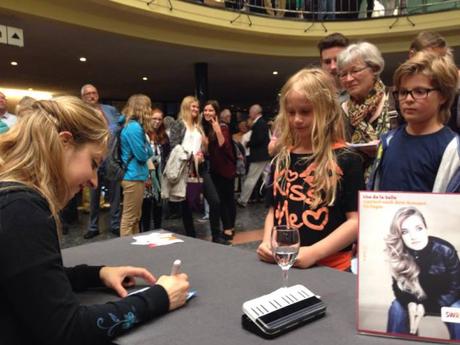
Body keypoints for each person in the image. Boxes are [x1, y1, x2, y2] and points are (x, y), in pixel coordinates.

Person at [0, 96, 190, 345]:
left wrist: (97, 274)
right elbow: (69, 330)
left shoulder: (12, 201)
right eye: (92, 163)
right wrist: (160, 297)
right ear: (64, 143)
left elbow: (32, 281)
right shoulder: (22, 211)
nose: (94, 181)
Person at [256, 68, 364, 271]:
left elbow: (355, 222)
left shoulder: (347, 159)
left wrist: (314, 252)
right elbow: (274, 209)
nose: (297, 119)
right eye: (291, 112)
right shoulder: (282, 158)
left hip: (332, 267)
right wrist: (267, 242)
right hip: (286, 262)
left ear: (327, 111)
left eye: (305, 111)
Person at [368, 52, 460, 193]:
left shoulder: (453, 149)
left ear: (443, 96)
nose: (409, 99)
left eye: (420, 91)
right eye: (403, 92)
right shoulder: (388, 141)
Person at [385, 207, 460, 339]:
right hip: (416, 301)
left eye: (418, 228)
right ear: (400, 236)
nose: (414, 236)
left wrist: (428, 306)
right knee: (396, 308)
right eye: (405, 232)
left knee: (457, 309)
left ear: (426, 229)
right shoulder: (399, 254)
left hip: (445, 300)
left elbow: (456, 288)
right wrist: (410, 302)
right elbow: (398, 288)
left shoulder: (446, 250)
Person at [337, 42, 398, 175]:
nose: (348, 79)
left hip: (392, 181)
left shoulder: (396, 99)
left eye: (355, 71)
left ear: (374, 69)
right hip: (353, 183)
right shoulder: (339, 112)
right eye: (343, 74)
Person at [81, 84, 121, 238]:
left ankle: (115, 224)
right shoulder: (81, 113)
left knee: (115, 194)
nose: (92, 96)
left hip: (111, 157)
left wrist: (110, 129)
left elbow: (120, 125)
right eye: (88, 94)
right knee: (93, 195)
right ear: (83, 98)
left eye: (94, 93)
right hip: (92, 160)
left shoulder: (109, 110)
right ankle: (93, 226)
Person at [167, 96, 206, 239]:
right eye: (193, 106)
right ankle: (191, 234)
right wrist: (189, 155)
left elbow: (201, 146)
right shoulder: (178, 124)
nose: (196, 109)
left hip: (198, 166)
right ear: (185, 107)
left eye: (197, 107)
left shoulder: (198, 126)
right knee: (186, 203)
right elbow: (174, 146)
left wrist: (201, 154)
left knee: (205, 199)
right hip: (184, 166)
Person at [119, 94, 154, 237]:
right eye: (148, 107)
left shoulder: (130, 126)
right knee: (130, 219)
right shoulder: (134, 128)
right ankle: (127, 253)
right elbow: (142, 155)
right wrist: (148, 148)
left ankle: (133, 250)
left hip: (134, 176)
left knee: (134, 218)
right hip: (133, 176)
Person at [202, 100, 236, 242]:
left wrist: (216, 129)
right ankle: (227, 227)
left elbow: (223, 145)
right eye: (205, 110)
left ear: (216, 112)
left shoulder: (221, 126)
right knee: (219, 200)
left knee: (227, 199)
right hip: (215, 169)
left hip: (226, 169)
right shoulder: (204, 127)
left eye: (211, 110)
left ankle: (229, 228)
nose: (207, 113)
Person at [140, 108, 170, 232]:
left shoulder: (163, 136)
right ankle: (145, 232)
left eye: (159, 119)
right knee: (145, 205)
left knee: (158, 204)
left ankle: (158, 230)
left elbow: (167, 154)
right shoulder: (142, 134)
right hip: (146, 173)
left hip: (159, 174)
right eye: (154, 119)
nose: (157, 122)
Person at [237, 104, 270, 208]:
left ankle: (243, 200)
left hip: (258, 157)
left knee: (251, 178)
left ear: (255, 113)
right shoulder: (263, 123)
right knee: (267, 178)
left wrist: (249, 143)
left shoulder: (259, 124)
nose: (249, 114)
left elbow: (258, 139)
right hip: (264, 156)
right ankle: (273, 198)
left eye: (251, 112)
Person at [317, 32, 350, 103]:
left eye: (338, 60)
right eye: (327, 62)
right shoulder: (314, 96)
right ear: (321, 64)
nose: (333, 67)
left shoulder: (362, 93)